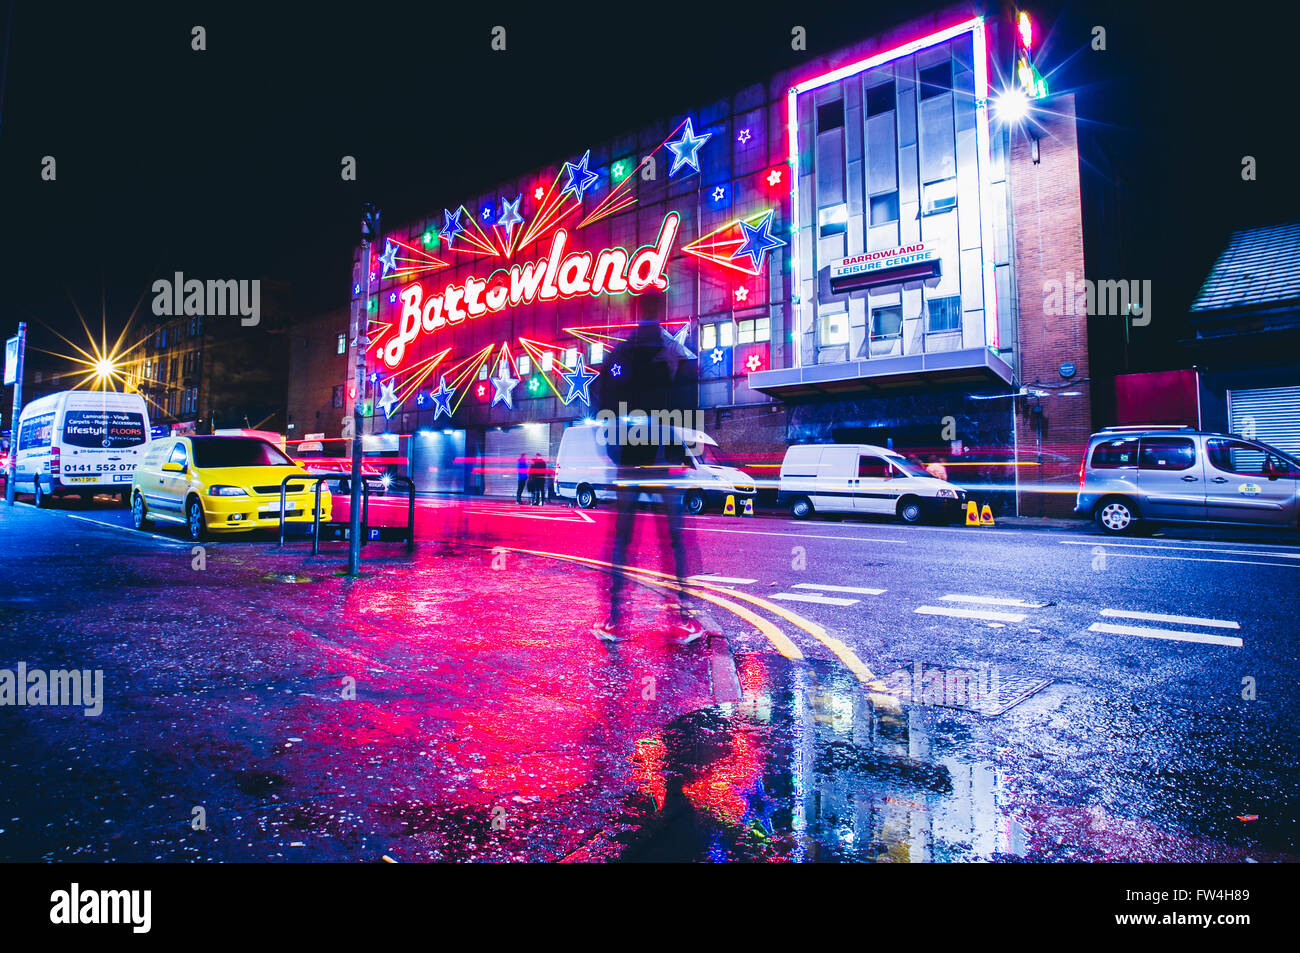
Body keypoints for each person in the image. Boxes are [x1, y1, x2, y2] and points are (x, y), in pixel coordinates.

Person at [592, 290, 703, 644]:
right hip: (665, 457)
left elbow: (603, 399)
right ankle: (682, 618)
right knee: (673, 539)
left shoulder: (622, 352)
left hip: (630, 457)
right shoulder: (676, 352)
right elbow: (689, 402)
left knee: (622, 539)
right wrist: (684, 450)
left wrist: (615, 446)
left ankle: (614, 619)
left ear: (636, 309)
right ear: (663, 310)